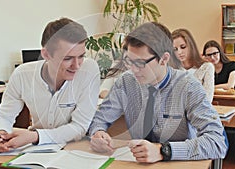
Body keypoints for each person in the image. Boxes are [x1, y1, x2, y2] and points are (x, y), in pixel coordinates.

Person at [88, 22, 227, 163]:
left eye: (141, 63)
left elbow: (217, 142)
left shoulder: (188, 86)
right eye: (129, 61)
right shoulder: (126, 82)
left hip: (178, 164)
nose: (133, 69)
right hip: (137, 163)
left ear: (164, 59)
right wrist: (98, 133)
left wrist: (164, 151)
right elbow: (99, 119)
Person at [0, 17, 100, 153]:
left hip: (76, 147)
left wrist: (35, 136)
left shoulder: (89, 70)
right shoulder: (22, 75)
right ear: (46, 54)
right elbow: (5, 115)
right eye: (67, 58)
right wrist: (1, 134)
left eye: (81, 56)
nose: (76, 65)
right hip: (37, 150)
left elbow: (79, 127)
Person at [172, 29, 214, 103]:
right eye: (175, 49)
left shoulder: (206, 67)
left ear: (191, 46)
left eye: (183, 47)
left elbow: (207, 100)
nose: (179, 52)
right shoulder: (172, 69)